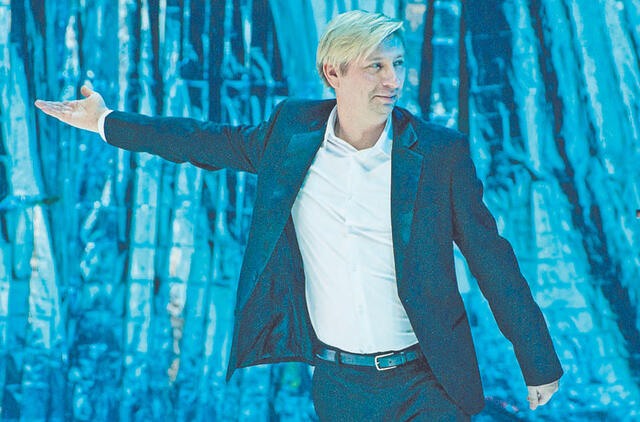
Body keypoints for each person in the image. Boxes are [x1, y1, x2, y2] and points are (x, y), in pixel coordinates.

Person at [35, 9, 562, 421]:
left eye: (398, 64)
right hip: (339, 385)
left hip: (427, 381)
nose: (393, 79)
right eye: (376, 65)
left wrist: (537, 359)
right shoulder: (291, 137)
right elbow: (200, 140)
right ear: (334, 72)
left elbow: (494, 261)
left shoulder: (439, 153)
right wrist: (105, 121)